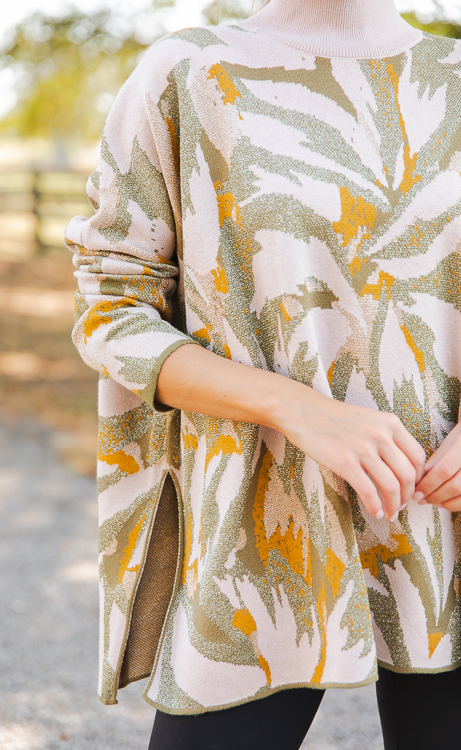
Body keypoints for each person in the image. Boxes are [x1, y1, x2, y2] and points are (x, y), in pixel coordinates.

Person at [65, 0, 461, 747]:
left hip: (450, 524)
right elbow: (111, 309)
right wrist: (297, 408)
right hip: (263, 529)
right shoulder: (187, 73)